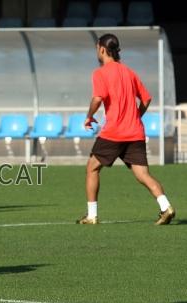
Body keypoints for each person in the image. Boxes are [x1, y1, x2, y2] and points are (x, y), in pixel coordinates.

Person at [77, 33, 175, 225]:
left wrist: (89, 116)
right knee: (143, 175)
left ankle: (91, 216)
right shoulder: (129, 72)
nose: (97, 51)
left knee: (92, 168)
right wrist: (136, 116)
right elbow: (146, 99)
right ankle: (166, 207)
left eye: (97, 48)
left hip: (114, 133)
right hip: (135, 132)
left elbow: (98, 98)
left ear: (102, 49)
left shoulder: (100, 73)